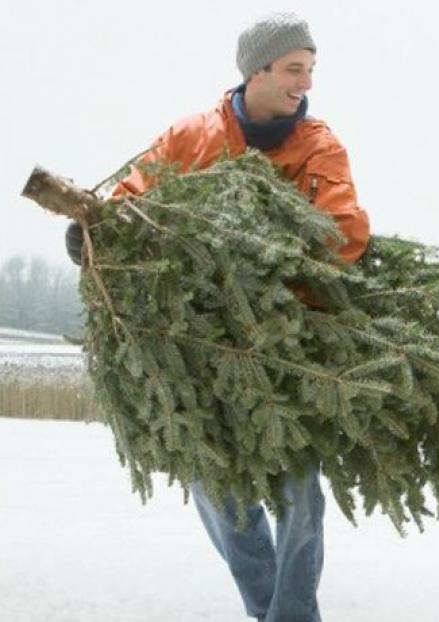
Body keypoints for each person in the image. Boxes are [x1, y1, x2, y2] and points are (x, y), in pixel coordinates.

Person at [66, 12, 370, 622]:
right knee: (218, 486)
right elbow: (133, 198)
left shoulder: (319, 145)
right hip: (197, 346)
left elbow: (341, 228)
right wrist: (90, 231)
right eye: (292, 69)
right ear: (256, 70)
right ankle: (268, 609)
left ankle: (293, 614)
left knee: (298, 492)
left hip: (288, 341)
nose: (303, 83)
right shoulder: (189, 135)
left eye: (309, 71)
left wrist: (271, 265)